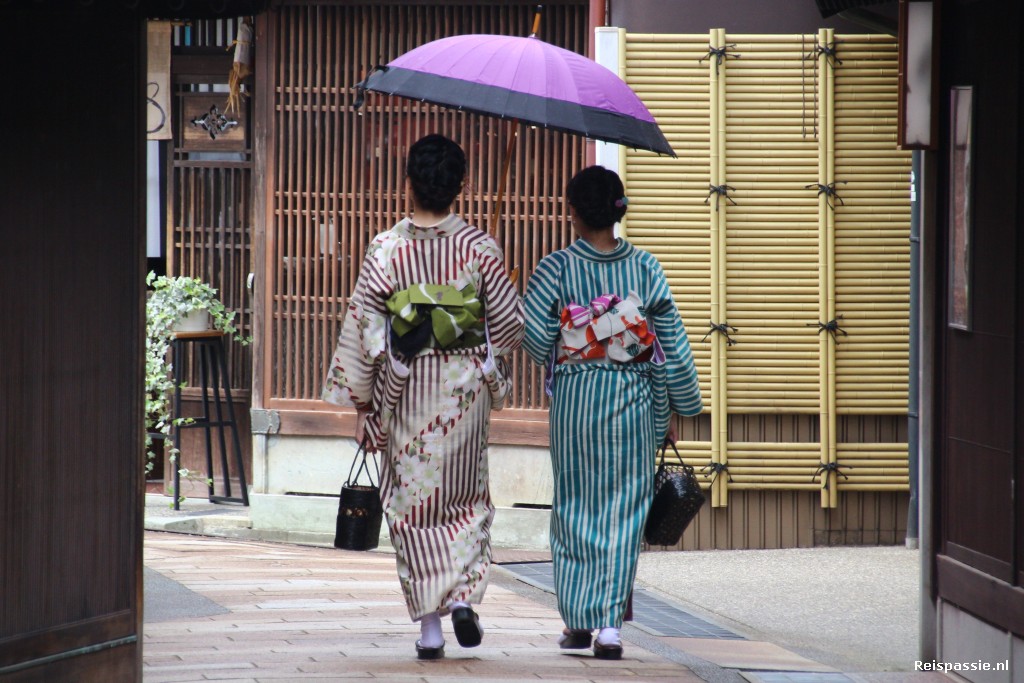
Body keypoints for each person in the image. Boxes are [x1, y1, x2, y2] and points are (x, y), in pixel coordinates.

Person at [322, 134, 525, 660]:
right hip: (463, 392)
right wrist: (480, 347)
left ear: (408, 182)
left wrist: (364, 405)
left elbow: (366, 328)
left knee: (411, 506)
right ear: (462, 186)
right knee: (465, 501)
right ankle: (463, 600)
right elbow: (508, 326)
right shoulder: (480, 247)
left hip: (407, 387)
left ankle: (431, 630)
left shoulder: (386, 249)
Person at [523, 165, 702, 660]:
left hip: (578, 402)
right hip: (633, 401)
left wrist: (562, 326)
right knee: (625, 510)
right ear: (617, 211)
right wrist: (681, 403)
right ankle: (609, 628)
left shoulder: (555, 268)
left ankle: (578, 619)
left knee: (575, 506)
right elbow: (670, 344)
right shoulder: (645, 267)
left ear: (574, 213)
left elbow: (536, 341)